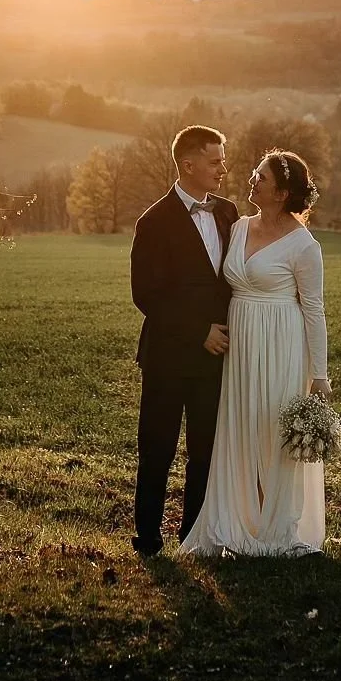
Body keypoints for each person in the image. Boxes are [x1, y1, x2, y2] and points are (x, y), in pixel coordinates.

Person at [179, 149, 330, 557]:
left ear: (281, 193)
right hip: (241, 345)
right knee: (242, 429)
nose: (251, 181)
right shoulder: (240, 226)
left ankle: (281, 529)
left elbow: (314, 309)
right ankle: (237, 523)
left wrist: (320, 374)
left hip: (282, 343)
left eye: (260, 178)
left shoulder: (304, 246)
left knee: (274, 433)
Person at [129, 125, 239, 556]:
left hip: (216, 358)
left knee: (206, 449)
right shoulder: (154, 221)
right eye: (215, 161)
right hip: (168, 356)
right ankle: (148, 537)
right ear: (188, 164)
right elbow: (147, 295)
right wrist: (199, 331)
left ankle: (194, 534)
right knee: (157, 447)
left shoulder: (229, 213)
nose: (223, 169)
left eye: (223, 160)